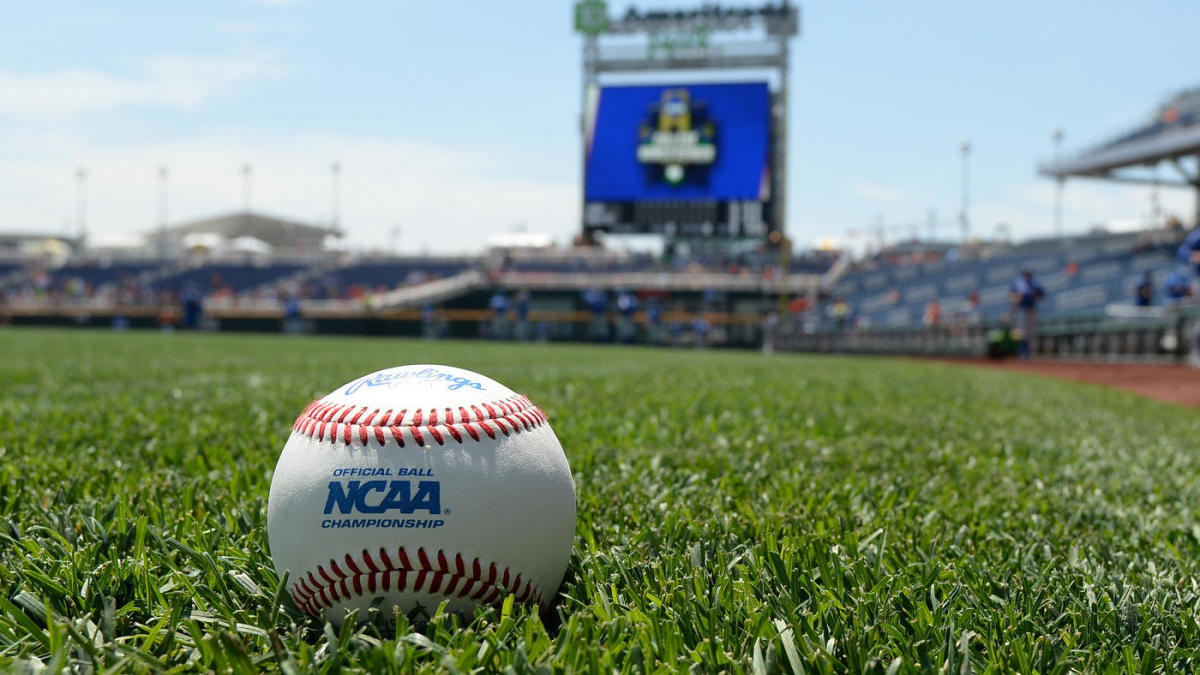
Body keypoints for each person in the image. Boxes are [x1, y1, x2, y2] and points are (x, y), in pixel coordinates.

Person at [1009, 266, 1045, 358]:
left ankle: (1027, 351)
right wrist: (1012, 310)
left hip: (1031, 309)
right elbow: (1013, 296)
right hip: (1022, 309)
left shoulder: (1035, 282)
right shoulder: (1018, 282)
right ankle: (1022, 351)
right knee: (1021, 332)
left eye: (1029, 273)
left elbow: (1041, 295)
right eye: (1026, 273)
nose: (1028, 275)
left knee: (1029, 332)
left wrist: (1034, 294)